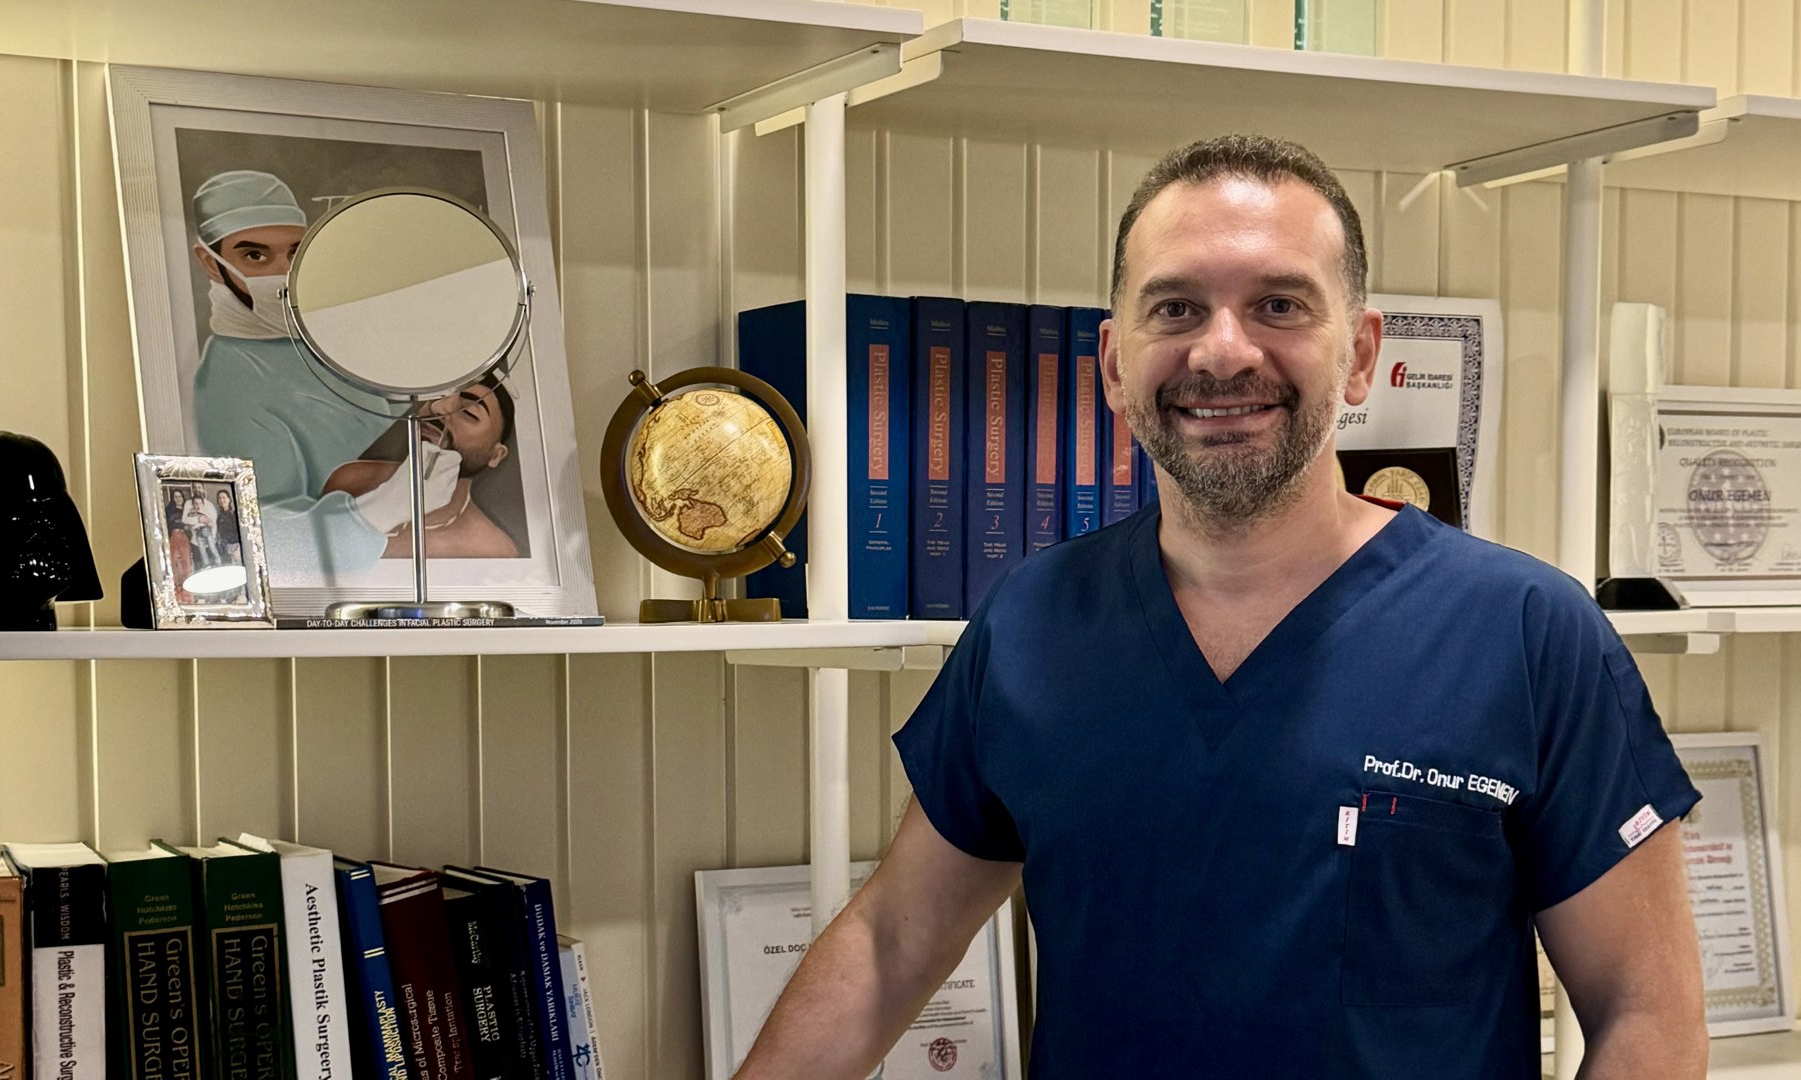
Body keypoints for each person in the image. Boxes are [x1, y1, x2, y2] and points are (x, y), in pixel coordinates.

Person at [737, 134, 1707, 1079]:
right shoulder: (1032, 622)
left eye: (1279, 304)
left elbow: (1648, 1016)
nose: (1223, 351)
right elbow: (893, 940)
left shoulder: (1526, 633)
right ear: (1114, 364)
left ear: (1360, 354)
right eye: (1177, 308)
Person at [187, 169, 454, 578]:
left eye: (296, 253)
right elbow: (251, 540)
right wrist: (382, 510)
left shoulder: (329, 347)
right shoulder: (227, 384)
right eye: (255, 256)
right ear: (211, 262)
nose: (284, 273)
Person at [320, 373, 521, 558]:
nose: (437, 408)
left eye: (469, 413)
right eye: (435, 396)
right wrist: (388, 504)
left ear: (496, 455)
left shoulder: (493, 548)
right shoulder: (351, 480)